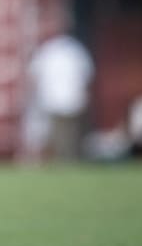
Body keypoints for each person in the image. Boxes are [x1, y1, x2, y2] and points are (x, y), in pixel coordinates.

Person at [26, 23, 94, 162]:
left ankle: (64, 159)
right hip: (73, 98)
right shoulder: (77, 50)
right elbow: (88, 74)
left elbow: (34, 74)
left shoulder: (48, 50)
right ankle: (70, 158)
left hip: (53, 99)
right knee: (72, 133)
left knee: (59, 133)